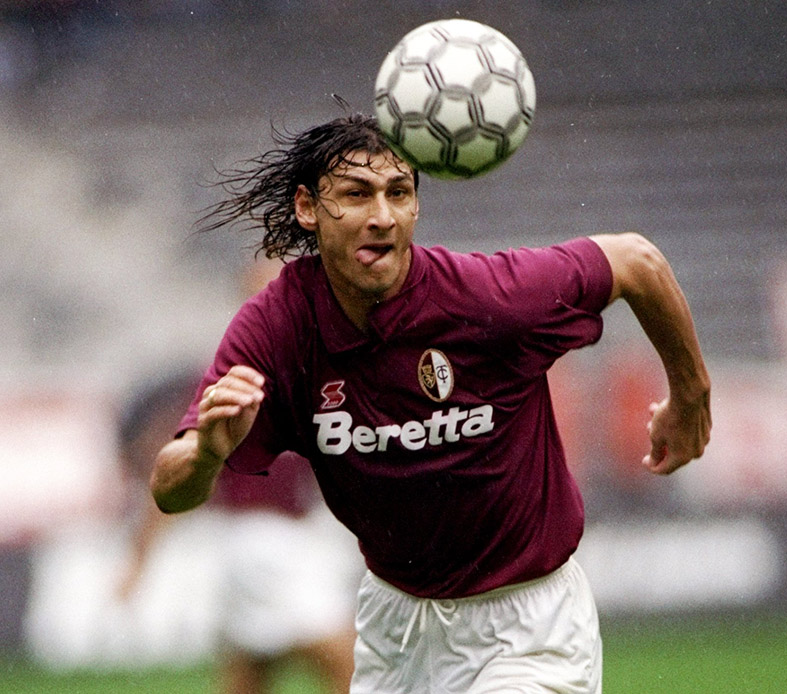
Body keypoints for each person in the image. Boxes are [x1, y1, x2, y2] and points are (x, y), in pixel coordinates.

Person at [150, 113, 712, 693]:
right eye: (357, 194)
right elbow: (170, 488)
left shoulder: (485, 297)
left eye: (399, 193)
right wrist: (208, 453)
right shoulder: (276, 327)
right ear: (307, 207)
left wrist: (690, 397)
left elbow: (636, 262)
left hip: (527, 628)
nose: (383, 216)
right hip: (397, 631)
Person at [117, 260, 358, 694]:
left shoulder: (310, 367)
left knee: (250, 673)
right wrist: (140, 556)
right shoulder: (231, 374)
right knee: (351, 665)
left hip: (291, 536)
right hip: (258, 540)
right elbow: (183, 463)